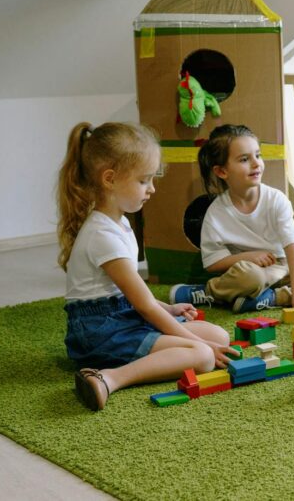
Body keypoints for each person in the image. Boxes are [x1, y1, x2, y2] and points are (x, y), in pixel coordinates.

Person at [57, 122, 236, 411]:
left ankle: (170, 351)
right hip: (100, 330)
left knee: (218, 336)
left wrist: (170, 309)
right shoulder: (102, 235)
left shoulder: (120, 223)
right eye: (144, 180)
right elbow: (144, 306)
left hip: (119, 315)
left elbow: (134, 296)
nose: (152, 189)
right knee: (202, 355)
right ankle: (108, 378)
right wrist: (190, 340)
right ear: (110, 179)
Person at [169, 124, 294, 314]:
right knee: (250, 278)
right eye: (244, 159)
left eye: (258, 155)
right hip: (248, 273)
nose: (256, 163)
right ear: (222, 172)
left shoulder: (276, 199)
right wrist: (247, 257)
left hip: (281, 266)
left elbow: (292, 246)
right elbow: (212, 263)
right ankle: (208, 292)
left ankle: (271, 297)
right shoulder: (216, 213)